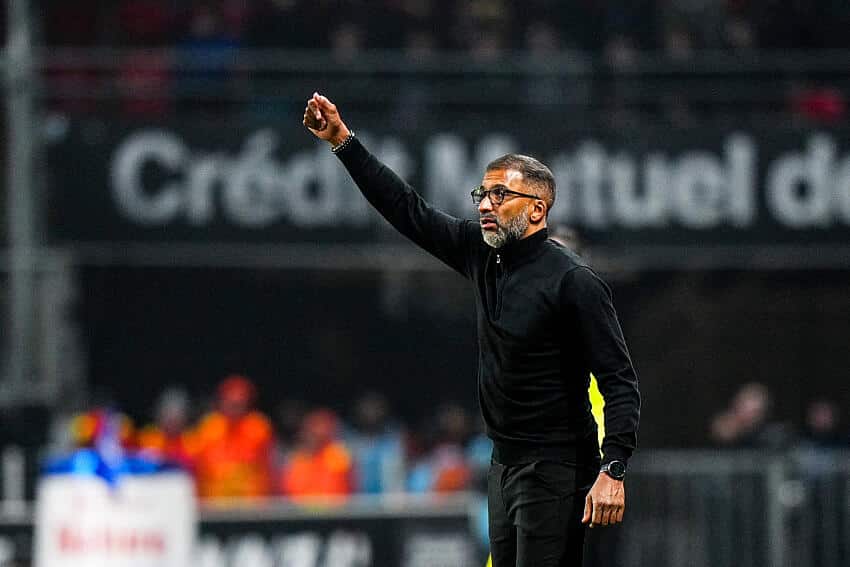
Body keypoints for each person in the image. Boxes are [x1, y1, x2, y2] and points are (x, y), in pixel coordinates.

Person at [303, 93, 641, 566]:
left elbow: (620, 382)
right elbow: (408, 210)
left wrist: (613, 469)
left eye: (500, 195)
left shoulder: (574, 282)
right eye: (482, 193)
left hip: (559, 465)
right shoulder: (482, 254)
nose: (486, 204)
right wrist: (343, 142)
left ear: (538, 210)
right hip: (503, 464)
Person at [193, 374, 275, 500]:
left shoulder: (259, 427)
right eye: (230, 402)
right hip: (215, 503)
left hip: (251, 504)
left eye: (239, 403)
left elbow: (268, 468)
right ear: (221, 401)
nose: (235, 407)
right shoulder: (208, 428)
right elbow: (199, 468)